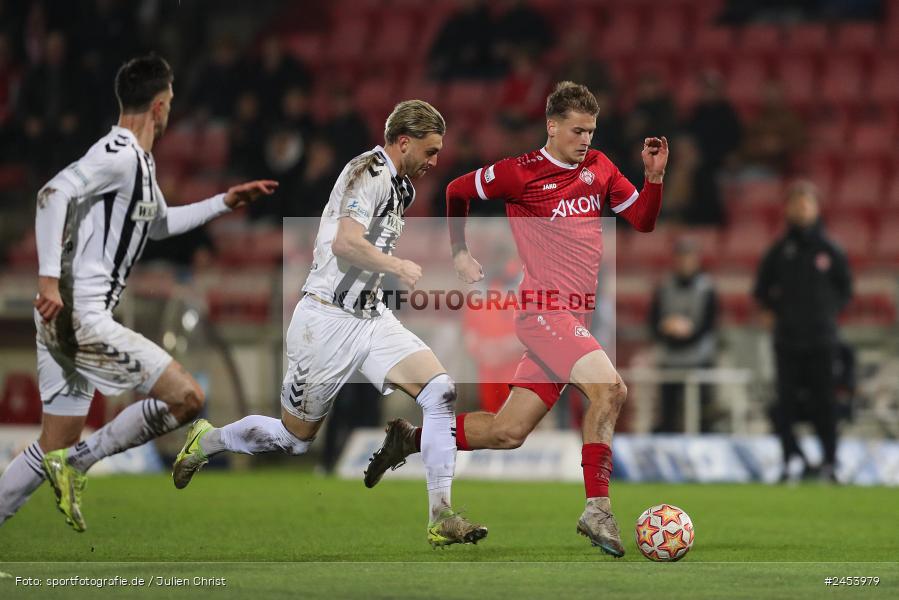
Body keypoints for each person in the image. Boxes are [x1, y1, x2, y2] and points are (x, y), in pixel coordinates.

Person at [365, 82, 668, 556]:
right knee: (611, 390)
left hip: (574, 318)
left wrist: (653, 178)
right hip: (544, 310)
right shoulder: (518, 173)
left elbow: (644, 222)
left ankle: (411, 440)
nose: (585, 139)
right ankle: (597, 509)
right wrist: (460, 252)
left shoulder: (600, 168)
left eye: (591, 130)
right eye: (577, 130)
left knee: (509, 432)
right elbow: (456, 190)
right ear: (552, 126)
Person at [171, 100, 488, 548]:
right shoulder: (369, 174)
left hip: (370, 317)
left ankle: (441, 515)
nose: (434, 161)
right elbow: (345, 243)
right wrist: (395, 264)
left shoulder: (402, 188)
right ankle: (209, 440)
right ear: (403, 142)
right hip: (325, 319)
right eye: (430, 150)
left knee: (440, 391)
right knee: (295, 439)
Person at [0, 54, 277, 531]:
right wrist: (47, 279)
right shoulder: (120, 154)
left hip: (68, 316)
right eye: (169, 103)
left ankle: (68, 462)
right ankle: (81, 464)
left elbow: (161, 224)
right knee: (187, 398)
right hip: (79, 313)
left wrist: (224, 202)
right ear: (159, 105)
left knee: (53, 442)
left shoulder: (137, 164)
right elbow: (51, 195)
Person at [754, 181, 852, 483]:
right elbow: (761, 290)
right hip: (787, 340)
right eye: (796, 204)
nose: (801, 209)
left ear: (816, 208)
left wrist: (825, 313)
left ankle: (830, 462)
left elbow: (844, 289)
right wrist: (771, 311)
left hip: (822, 340)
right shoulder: (779, 250)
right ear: (788, 209)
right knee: (784, 404)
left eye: (806, 204)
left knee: (826, 403)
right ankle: (790, 461)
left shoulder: (830, 249)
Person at [648, 238, 719, 432]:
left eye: (689, 257)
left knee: (702, 415)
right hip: (669, 358)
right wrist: (668, 330)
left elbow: (709, 323)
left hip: (699, 359)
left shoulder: (707, 287)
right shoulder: (664, 286)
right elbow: (653, 320)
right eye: (681, 257)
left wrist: (688, 333)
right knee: (668, 414)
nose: (685, 262)